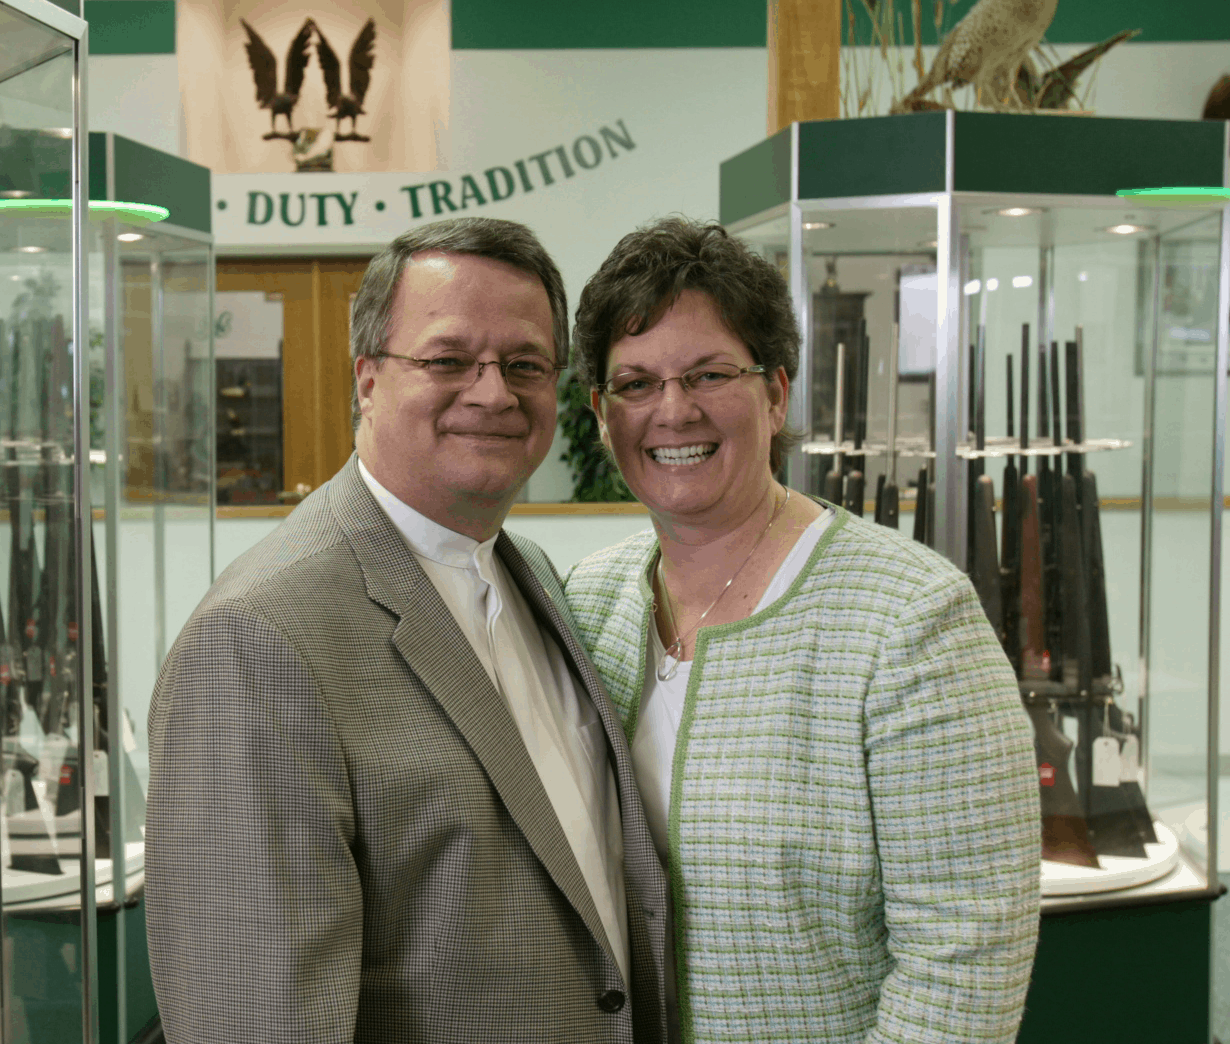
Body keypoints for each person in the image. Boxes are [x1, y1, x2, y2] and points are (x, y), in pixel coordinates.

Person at [146, 217, 669, 1044]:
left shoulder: (524, 571)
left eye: (525, 364)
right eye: (447, 359)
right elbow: (251, 1018)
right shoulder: (257, 640)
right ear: (367, 379)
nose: (493, 392)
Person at [564, 216, 1040, 1044]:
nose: (672, 411)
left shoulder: (913, 620)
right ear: (604, 412)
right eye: (636, 384)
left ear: (776, 392)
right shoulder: (589, 601)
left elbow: (965, 965)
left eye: (709, 374)